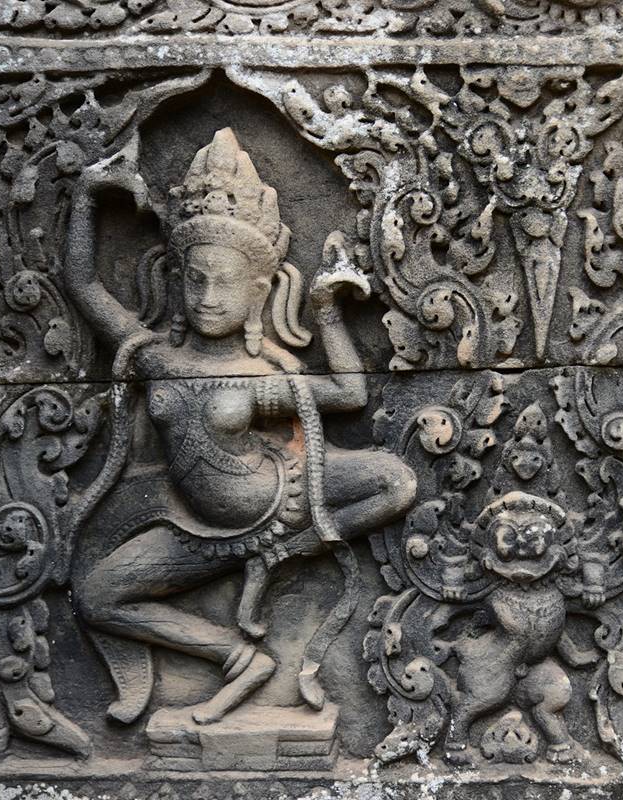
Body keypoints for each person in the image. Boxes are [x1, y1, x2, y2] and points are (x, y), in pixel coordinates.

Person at [67, 128, 416, 725]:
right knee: (98, 596)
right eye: (195, 279)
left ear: (258, 292)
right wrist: (87, 196)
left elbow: (349, 393)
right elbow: (83, 285)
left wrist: (328, 313)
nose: (207, 296)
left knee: (396, 481)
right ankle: (237, 657)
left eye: (224, 282)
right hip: (196, 530)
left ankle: (288, 555)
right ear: (175, 280)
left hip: (280, 502)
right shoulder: (155, 358)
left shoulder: (261, 377)